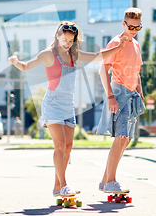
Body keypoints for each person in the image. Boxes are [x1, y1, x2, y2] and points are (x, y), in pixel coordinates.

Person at [8, 21, 127, 198]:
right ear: (57, 35)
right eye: (65, 39)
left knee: (69, 147)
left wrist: (119, 47)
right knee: (60, 146)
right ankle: (64, 185)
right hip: (53, 104)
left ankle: (57, 187)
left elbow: (97, 55)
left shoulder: (74, 54)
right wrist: (15, 62)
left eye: (71, 40)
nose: (67, 43)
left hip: (68, 105)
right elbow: (26, 66)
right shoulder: (48, 54)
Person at [96, 8, 146, 194]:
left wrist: (141, 94)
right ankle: (111, 181)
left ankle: (104, 181)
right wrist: (110, 96)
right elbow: (103, 69)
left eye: (137, 27)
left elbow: (137, 73)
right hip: (118, 93)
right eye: (130, 26)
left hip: (132, 95)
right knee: (120, 138)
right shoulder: (117, 42)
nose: (133, 30)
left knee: (126, 140)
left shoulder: (136, 45)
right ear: (123, 24)